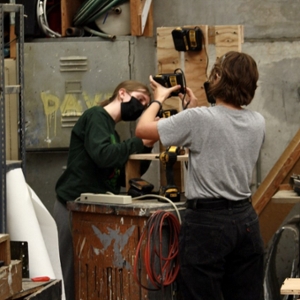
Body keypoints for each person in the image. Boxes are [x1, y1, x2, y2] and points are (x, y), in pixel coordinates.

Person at [135, 51, 265, 300]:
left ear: (217, 77)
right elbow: (220, 133)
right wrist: (193, 110)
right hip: (246, 220)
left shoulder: (198, 119)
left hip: (207, 223)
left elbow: (143, 130)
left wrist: (159, 99)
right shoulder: (257, 121)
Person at [53, 80, 158, 300]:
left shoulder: (113, 134)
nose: (139, 107)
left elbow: (120, 177)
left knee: (91, 275)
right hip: (72, 206)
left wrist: (147, 144)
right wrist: (139, 141)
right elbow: (104, 156)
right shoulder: (96, 117)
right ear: (122, 93)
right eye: (139, 99)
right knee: (72, 276)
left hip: (90, 210)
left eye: (145, 104)